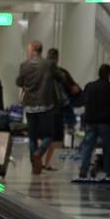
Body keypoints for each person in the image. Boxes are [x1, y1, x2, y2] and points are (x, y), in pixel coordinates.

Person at [16, 40, 62, 175]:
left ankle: (34, 165)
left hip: (30, 105)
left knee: (33, 137)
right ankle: (39, 153)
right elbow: (60, 77)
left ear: (34, 50)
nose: (28, 52)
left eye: (29, 49)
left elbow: (19, 82)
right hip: (46, 105)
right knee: (48, 136)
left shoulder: (24, 65)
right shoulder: (49, 64)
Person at [78, 64, 110, 179]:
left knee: (88, 147)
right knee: (107, 148)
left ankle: (83, 171)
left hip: (90, 122)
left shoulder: (89, 86)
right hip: (106, 123)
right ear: (109, 74)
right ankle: (109, 172)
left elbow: (83, 100)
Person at [43, 48, 80, 171]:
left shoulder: (40, 72)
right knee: (54, 139)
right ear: (57, 59)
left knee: (42, 136)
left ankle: (40, 160)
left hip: (41, 108)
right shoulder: (61, 72)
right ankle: (47, 163)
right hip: (57, 109)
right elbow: (74, 89)